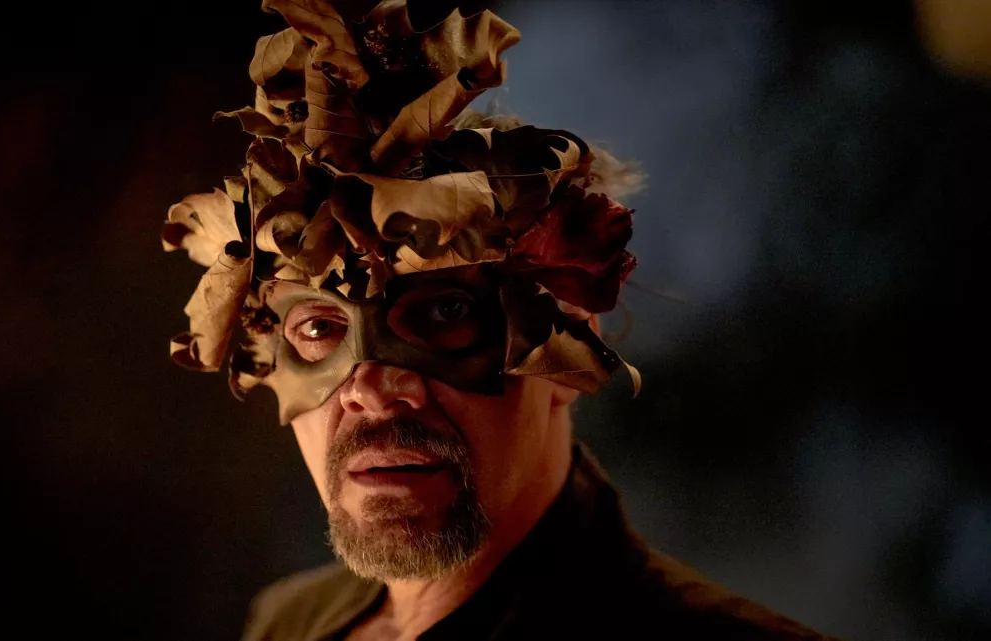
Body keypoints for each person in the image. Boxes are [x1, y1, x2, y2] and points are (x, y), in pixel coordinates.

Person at [162, 1, 838, 638]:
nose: (372, 388)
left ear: (570, 348)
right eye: (318, 328)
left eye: (446, 311)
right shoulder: (287, 623)